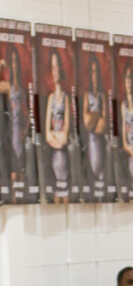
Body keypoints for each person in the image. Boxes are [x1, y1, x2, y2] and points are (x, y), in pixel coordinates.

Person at [0, 47, 28, 190]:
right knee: (12, 169)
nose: (14, 66)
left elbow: (26, 112)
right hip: (9, 132)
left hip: (18, 131)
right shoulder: (7, 86)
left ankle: (20, 193)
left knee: (20, 170)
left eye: (16, 62)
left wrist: (25, 129)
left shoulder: (21, 88)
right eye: (12, 63)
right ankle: (13, 195)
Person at [45, 48, 71, 201]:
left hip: (62, 151)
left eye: (57, 67)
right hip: (53, 151)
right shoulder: (50, 98)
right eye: (52, 68)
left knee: (64, 186)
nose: (55, 72)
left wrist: (58, 137)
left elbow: (65, 134)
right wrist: (56, 138)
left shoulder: (66, 98)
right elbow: (48, 134)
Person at [82, 54, 107, 185]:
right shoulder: (87, 95)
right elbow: (87, 123)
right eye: (92, 72)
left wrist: (93, 117)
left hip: (100, 138)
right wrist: (97, 115)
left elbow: (103, 124)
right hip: (90, 138)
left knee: (101, 166)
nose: (95, 75)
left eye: (96, 72)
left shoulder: (102, 96)